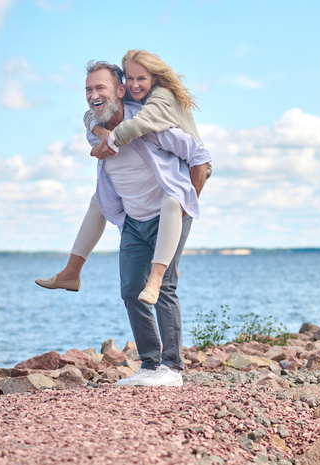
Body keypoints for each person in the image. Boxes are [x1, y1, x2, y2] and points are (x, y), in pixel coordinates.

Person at [36, 50, 209, 305]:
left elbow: (140, 126)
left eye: (141, 78)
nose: (134, 84)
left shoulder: (159, 100)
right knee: (99, 201)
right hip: (148, 197)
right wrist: (97, 130)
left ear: (154, 78)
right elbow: (93, 113)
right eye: (129, 78)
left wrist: (106, 143)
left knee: (166, 281)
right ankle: (72, 271)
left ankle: (158, 283)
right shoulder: (125, 94)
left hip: (192, 169)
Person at [79, 61, 209, 387]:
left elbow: (198, 155)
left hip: (169, 213)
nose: (94, 95)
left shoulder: (150, 123)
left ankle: (173, 368)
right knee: (130, 291)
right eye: (88, 89)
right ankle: (150, 365)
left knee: (163, 287)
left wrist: (186, 200)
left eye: (101, 88)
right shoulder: (94, 124)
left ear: (120, 91)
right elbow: (90, 124)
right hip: (134, 221)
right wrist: (99, 132)